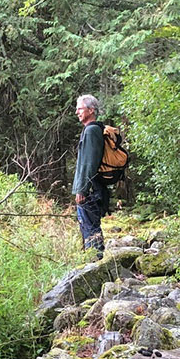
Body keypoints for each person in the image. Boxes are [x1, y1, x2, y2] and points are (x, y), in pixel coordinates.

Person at [72, 94, 108, 255]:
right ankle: (95, 263)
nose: (77, 112)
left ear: (91, 110)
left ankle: (95, 264)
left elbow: (88, 163)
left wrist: (82, 190)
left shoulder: (92, 131)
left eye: (80, 108)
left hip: (91, 191)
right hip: (94, 189)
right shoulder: (92, 130)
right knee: (89, 227)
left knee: (90, 229)